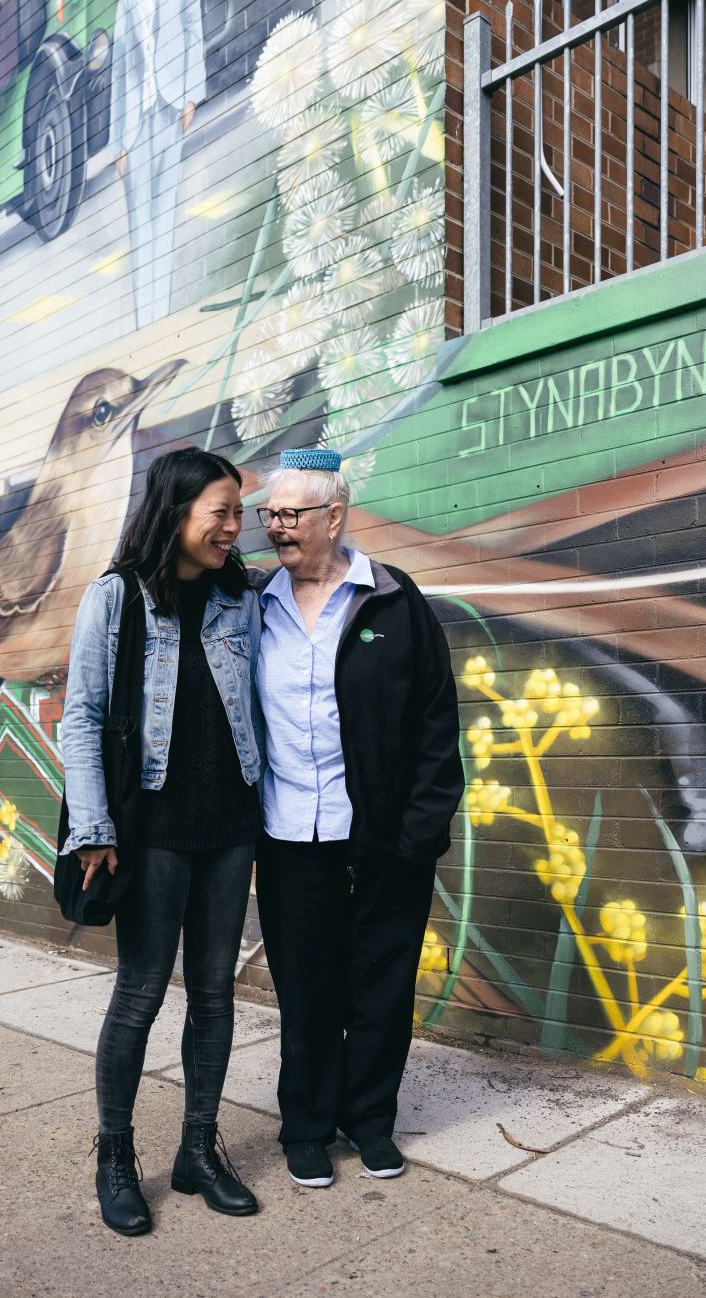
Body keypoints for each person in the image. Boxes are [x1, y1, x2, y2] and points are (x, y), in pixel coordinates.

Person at [60, 446, 263, 1236]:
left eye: (238, 512)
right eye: (221, 512)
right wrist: (94, 828)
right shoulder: (116, 598)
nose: (234, 526)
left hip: (230, 829)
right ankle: (115, 1155)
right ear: (175, 513)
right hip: (152, 835)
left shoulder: (239, 598)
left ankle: (198, 1151)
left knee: (214, 994)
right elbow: (81, 716)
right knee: (141, 992)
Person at [252, 446, 463, 1190]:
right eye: (269, 513)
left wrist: (420, 832)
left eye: (289, 514)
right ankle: (307, 1126)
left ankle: (370, 1121)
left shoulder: (394, 601)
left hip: (383, 836)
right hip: (288, 835)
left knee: (382, 986)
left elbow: (437, 720)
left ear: (334, 515)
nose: (275, 526)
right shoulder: (252, 604)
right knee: (305, 989)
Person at [110, 0, 206, 328]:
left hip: (169, 109)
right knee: (140, 228)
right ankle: (143, 325)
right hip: (137, 124)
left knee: (164, 219)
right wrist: (119, 144)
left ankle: (159, 321)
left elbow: (192, 22)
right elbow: (121, 73)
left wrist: (191, 94)